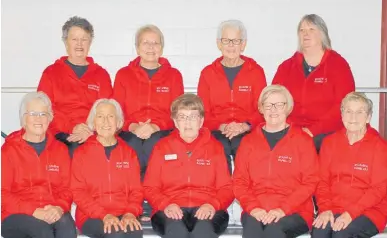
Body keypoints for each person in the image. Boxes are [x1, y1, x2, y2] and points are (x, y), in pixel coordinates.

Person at [143, 94, 233, 238]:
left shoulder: (215, 147)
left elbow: (227, 187)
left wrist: (212, 204)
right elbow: (150, 186)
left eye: (193, 116)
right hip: (171, 208)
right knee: (176, 233)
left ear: (202, 120)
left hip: (208, 208)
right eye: (182, 117)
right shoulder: (162, 147)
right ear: (174, 121)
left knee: (203, 234)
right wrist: (165, 204)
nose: (188, 122)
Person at [233, 85, 319, 238]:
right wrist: (254, 207)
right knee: (251, 229)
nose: (274, 109)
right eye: (268, 104)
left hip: (294, 211)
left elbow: (310, 181)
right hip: (257, 208)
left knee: (273, 230)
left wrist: (283, 208)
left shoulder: (302, 140)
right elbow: (239, 182)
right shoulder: (249, 143)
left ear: (288, 108)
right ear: (260, 108)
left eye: (279, 104)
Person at [1, 92, 76, 238]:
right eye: (33, 113)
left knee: (66, 228)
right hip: (16, 216)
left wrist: (59, 207)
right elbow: (3, 195)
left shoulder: (60, 149)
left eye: (43, 113)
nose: (38, 118)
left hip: (51, 210)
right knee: (42, 232)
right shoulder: (9, 150)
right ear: (23, 119)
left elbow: (67, 189)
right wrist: (34, 211)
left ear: (50, 117)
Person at [312, 92, 387, 238]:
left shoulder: (379, 146)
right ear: (341, 114)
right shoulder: (330, 142)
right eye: (348, 111)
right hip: (333, 206)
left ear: (369, 117)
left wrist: (350, 213)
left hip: (370, 210)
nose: (353, 116)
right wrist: (324, 208)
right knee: (319, 230)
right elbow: (321, 181)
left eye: (359, 111)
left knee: (341, 234)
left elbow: (379, 189)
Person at [71, 99, 144, 238]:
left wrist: (131, 211)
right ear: (92, 121)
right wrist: (104, 214)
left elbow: (136, 190)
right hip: (91, 214)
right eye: (100, 116)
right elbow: (78, 192)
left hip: (124, 212)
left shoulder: (128, 153)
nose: (105, 121)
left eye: (110, 116)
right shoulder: (82, 153)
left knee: (133, 233)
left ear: (119, 122)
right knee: (114, 233)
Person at [272, 14, 355, 152]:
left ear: (322, 33)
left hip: (327, 132)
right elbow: (273, 100)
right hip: (291, 130)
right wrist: (289, 128)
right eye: (302, 30)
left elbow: (344, 105)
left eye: (311, 29)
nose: (306, 34)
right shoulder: (286, 67)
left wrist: (313, 130)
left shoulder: (338, 65)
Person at [113, 24, 184, 177]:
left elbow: (178, 113)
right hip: (130, 130)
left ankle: (151, 191)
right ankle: (135, 191)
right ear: (137, 48)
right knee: (132, 143)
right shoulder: (123, 75)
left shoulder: (173, 75)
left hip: (162, 130)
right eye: (145, 43)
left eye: (155, 43)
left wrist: (156, 126)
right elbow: (116, 112)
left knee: (155, 143)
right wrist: (132, 126)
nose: (151, 47)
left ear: (162, 47)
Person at [198, 19, 267, 173]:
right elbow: (203, 112)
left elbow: (263, 109)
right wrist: (221, 126)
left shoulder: (256, 72)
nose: (230, 45)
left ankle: (244, 193)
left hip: (246, 129)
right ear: (219, 44)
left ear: (243, 44)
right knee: (218, 147)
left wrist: (244, 125)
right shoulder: (207, 73)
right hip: (217, 129)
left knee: (244, 147)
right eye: (226, 40)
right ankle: (225, 193)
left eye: (235, 41)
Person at [38, 16, 112, 156]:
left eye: (84, 39)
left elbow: (108, 109)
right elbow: (44, 109)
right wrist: (72, 127)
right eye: (74, 39)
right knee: (74, 150)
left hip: (94, 132)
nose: (79, 44)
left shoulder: (101, 75)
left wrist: (90, 129)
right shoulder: (51, 73)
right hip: (61, 133)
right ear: (66, 42)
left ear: (90, 43)